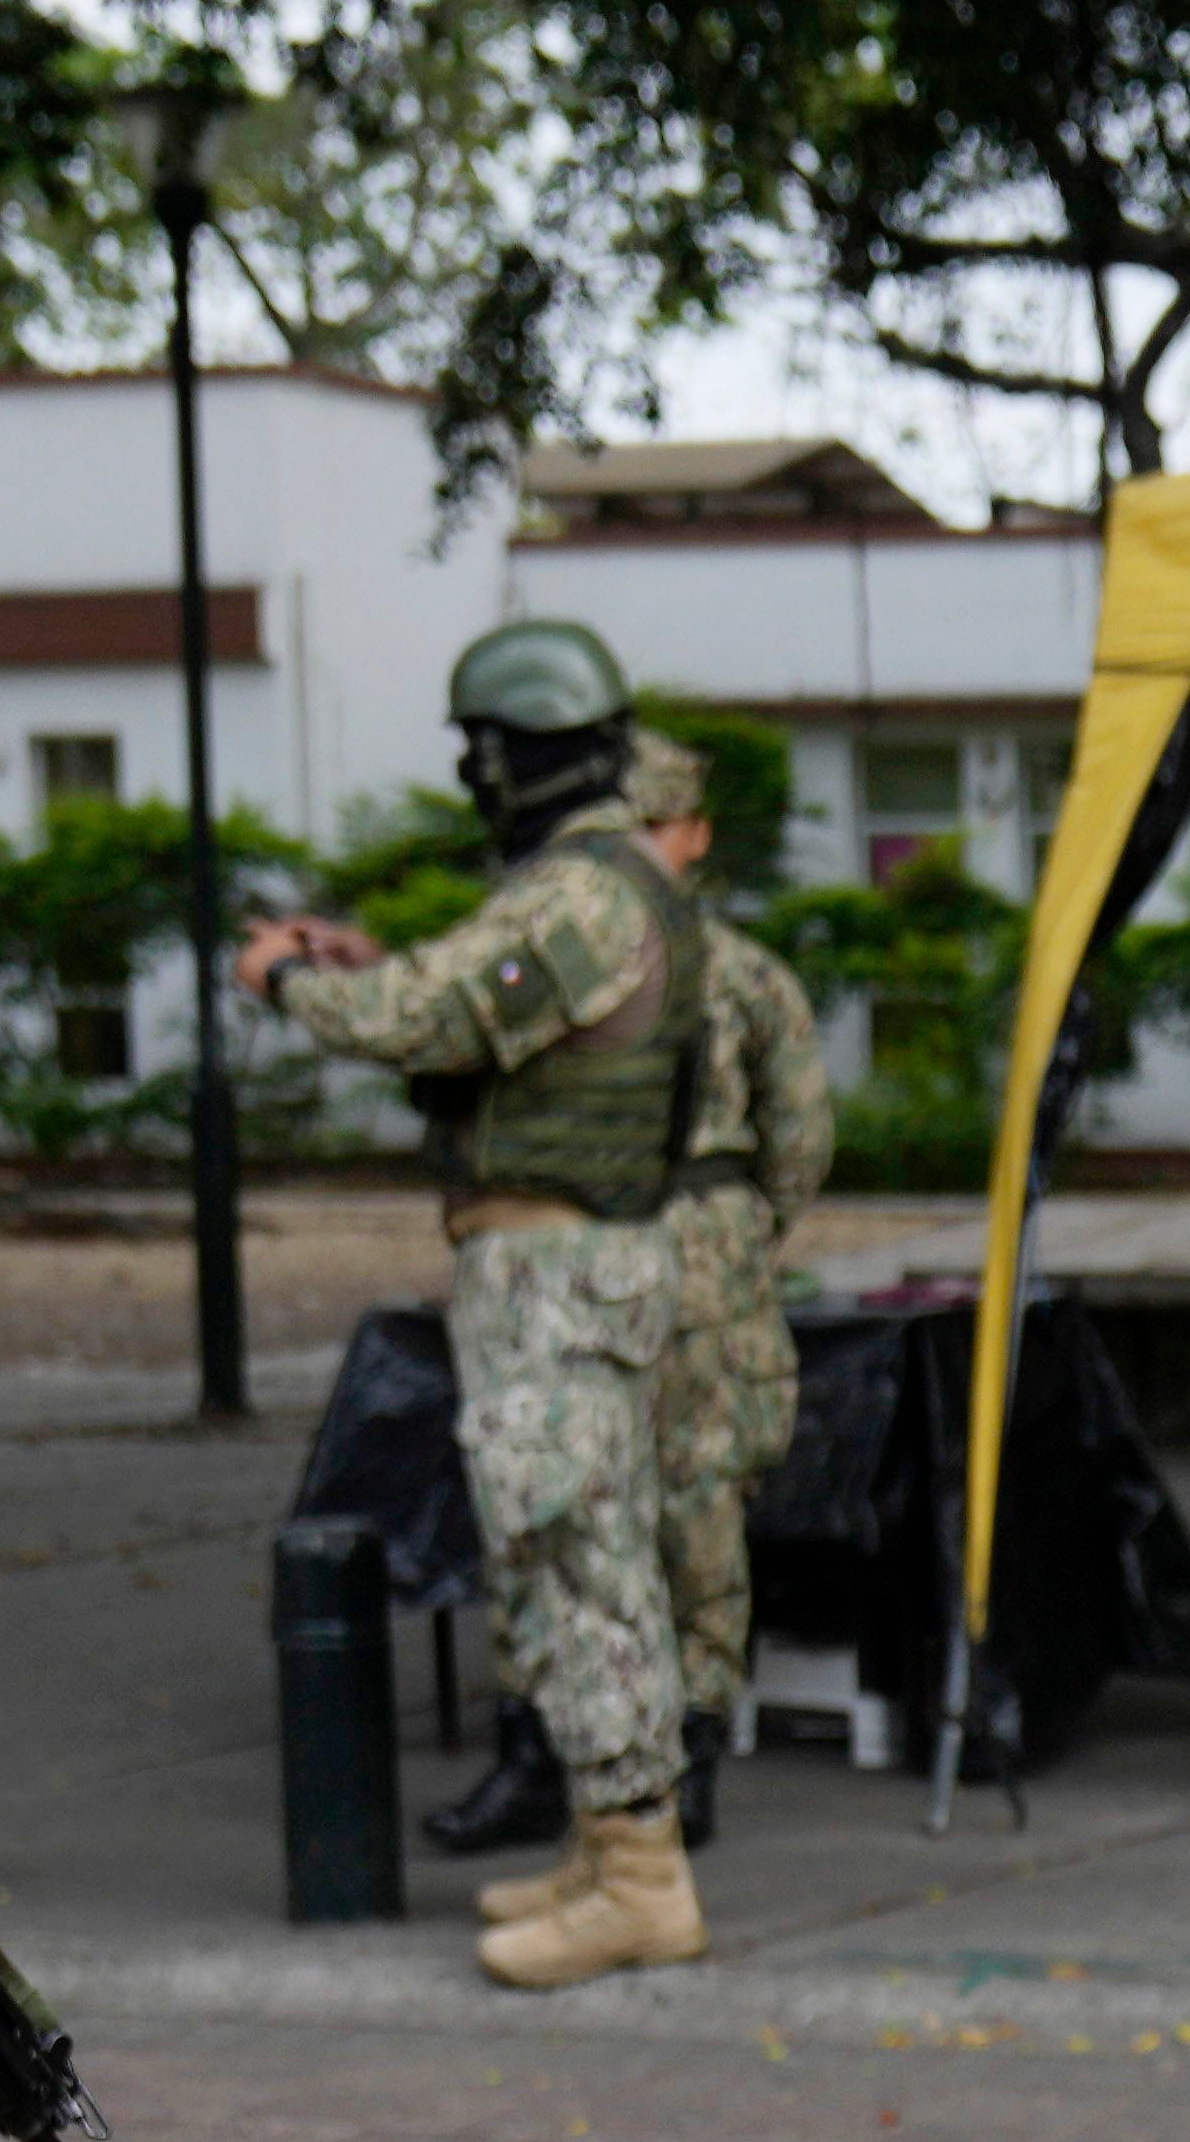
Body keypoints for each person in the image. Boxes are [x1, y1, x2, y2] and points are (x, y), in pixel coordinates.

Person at [238, 621, 706, 1984]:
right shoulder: (592, 886)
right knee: (576, 1556)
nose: (472, 776)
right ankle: (613, 1847)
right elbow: (473, 1012)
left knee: (577, 1560)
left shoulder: (583, 894)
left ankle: (641, 1876)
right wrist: (364, 956)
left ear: (523, 753)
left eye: (480, 751)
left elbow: (419, 1024)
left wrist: (289, 979)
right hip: (560, 1268)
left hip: (556, 1275)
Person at [633, 730, 833, 1851]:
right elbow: (800, 1138)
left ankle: (662, 1750)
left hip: (635, 1240)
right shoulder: (738, 968)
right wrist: (748, 1223)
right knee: (691, 1505)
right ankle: (685, 1749)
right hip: (696, 1236)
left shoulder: (604, 963)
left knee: (663, 1502)